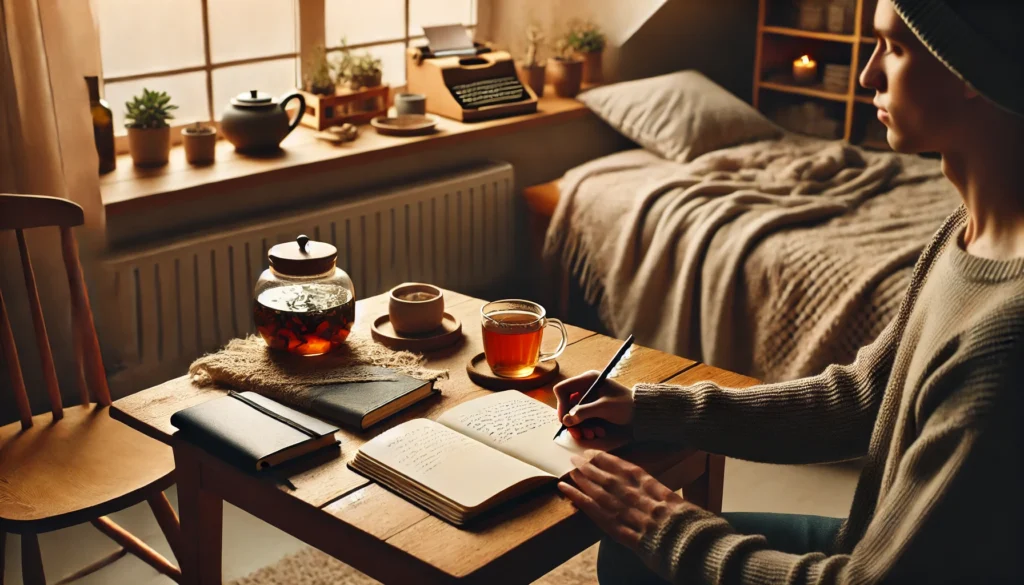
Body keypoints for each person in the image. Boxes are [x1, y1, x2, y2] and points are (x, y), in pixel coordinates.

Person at [553, 1, 1024, 583]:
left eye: (894, 49)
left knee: (642, 548)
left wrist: (665, 523)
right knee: (625, 551)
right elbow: (861, 398)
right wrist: (655, 409)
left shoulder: (1004, 338)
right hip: (872, 538)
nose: (867, 74)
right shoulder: (965, 230)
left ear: (972, 69)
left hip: (875, 567)